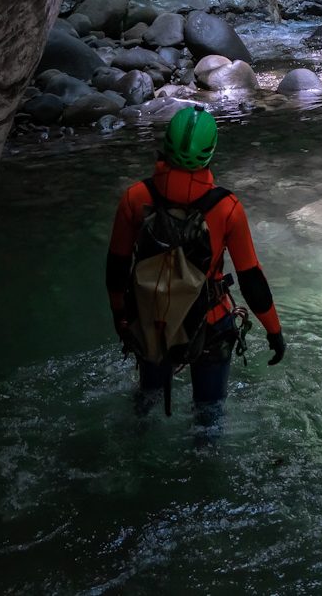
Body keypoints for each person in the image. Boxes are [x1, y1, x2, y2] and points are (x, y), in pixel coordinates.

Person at [106, 107, 285, 415]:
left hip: (153, 318)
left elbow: (117, 266)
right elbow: (251, 278)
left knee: (147, 400)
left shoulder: (135, 197)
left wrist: (121, 316)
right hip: (210, 322)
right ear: (210, 152)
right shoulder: (228, 208)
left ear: (166, 144)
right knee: (210, 413)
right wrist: (274, 330)